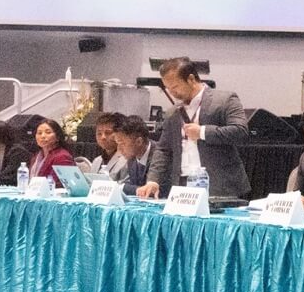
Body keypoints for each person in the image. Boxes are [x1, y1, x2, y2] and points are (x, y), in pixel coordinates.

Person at [141, 57, 250, 199]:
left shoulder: (224, 100)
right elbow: (163, 149)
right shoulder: (173, 112)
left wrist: (202, 132)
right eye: (168, 89)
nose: (172, 93)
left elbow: (240, 131)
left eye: (175, 87)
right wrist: (153, 180)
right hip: (183, 188)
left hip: (221, 187)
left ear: (191, 79)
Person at [28, 118, 76, 187]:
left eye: (48, 132)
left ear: (57, 137)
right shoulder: (37, 156)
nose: (43, 136)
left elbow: (59, 185)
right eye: (39, 133)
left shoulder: (62, 157)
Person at [114, 116, 155, 195]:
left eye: (122, 144)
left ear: (139, 142)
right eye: (117, 144)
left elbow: (153, 191)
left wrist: (122, 187)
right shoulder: (132, 157)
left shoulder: (160, 156)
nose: (119, 149)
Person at [90, 112, 128, 180]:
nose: (103, 137)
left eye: (108, 133)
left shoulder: (127, 160)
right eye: (99, 133)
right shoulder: (96, 161)